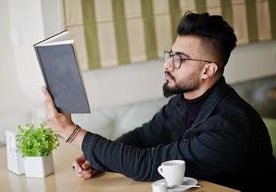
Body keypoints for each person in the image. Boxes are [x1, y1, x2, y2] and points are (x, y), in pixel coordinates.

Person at [42, 11, 276, 191]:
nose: (167, 64)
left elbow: (147, 164)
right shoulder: (182, 102)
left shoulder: (229, 126)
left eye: (180, 59)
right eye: (171, 55)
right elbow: (143, 137)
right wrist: (98, 158)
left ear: (208, 70)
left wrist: (73, 133)